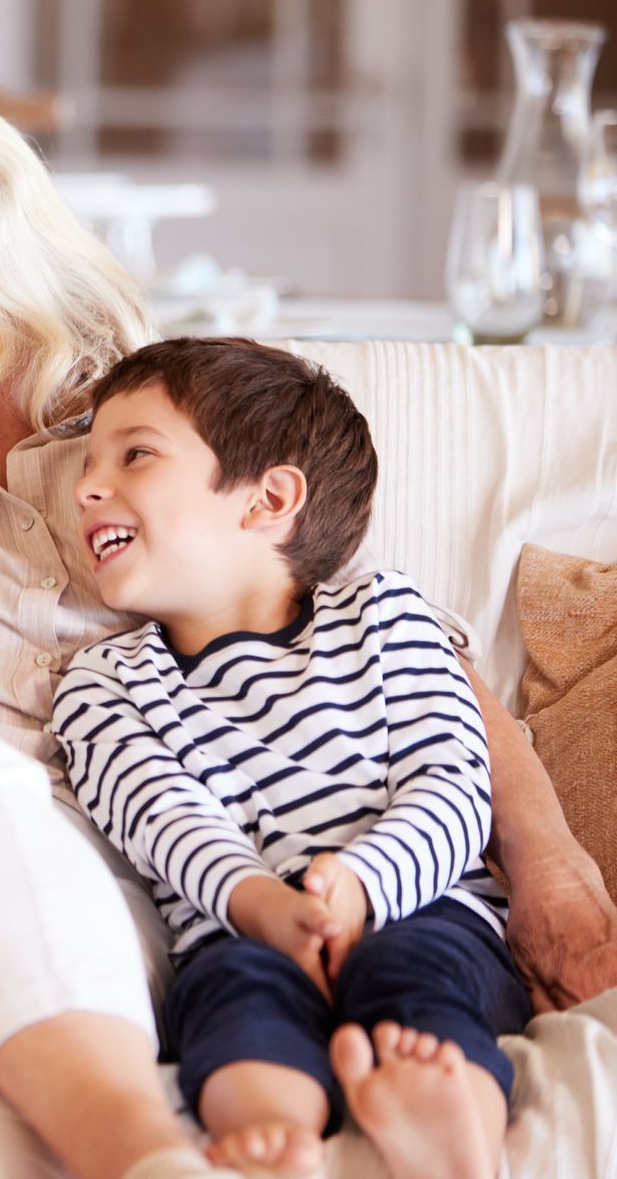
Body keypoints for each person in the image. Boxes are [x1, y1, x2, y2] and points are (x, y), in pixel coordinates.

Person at [0, 69, 617, 1179]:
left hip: (97, 908)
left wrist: (549, 859)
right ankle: (150, 1157)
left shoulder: (173, 434)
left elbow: (394, 648)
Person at [55, 339, 529, 1179]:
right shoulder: (104, 682)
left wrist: (362, 885)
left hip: (420, 908)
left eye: (134, 455)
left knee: (424, 975)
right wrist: (266, 907)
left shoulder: (389, 616)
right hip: (239, 929)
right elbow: (160, 817)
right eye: (89, 462)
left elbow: (453, 785)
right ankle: (274, 1132)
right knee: (237, 995)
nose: (87, 486)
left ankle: (450, 1123)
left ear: (269, 499)